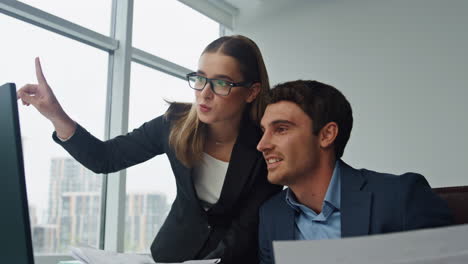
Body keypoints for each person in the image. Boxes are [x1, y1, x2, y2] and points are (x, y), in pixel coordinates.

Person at [17, 35, 282, 264]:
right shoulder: (174, 124)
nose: (204, 93)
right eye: (200, 78)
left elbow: (246, 229)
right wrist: (55, 114)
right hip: (169, 254)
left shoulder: (266, 147)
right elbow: (104, 158)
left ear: (251, 92)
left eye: (221, 83)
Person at [256, 80, 454, 264]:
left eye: (281, 129)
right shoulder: (272, 215)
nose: (262, 145)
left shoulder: (402, 197)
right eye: (263, 131)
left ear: (326, 135)